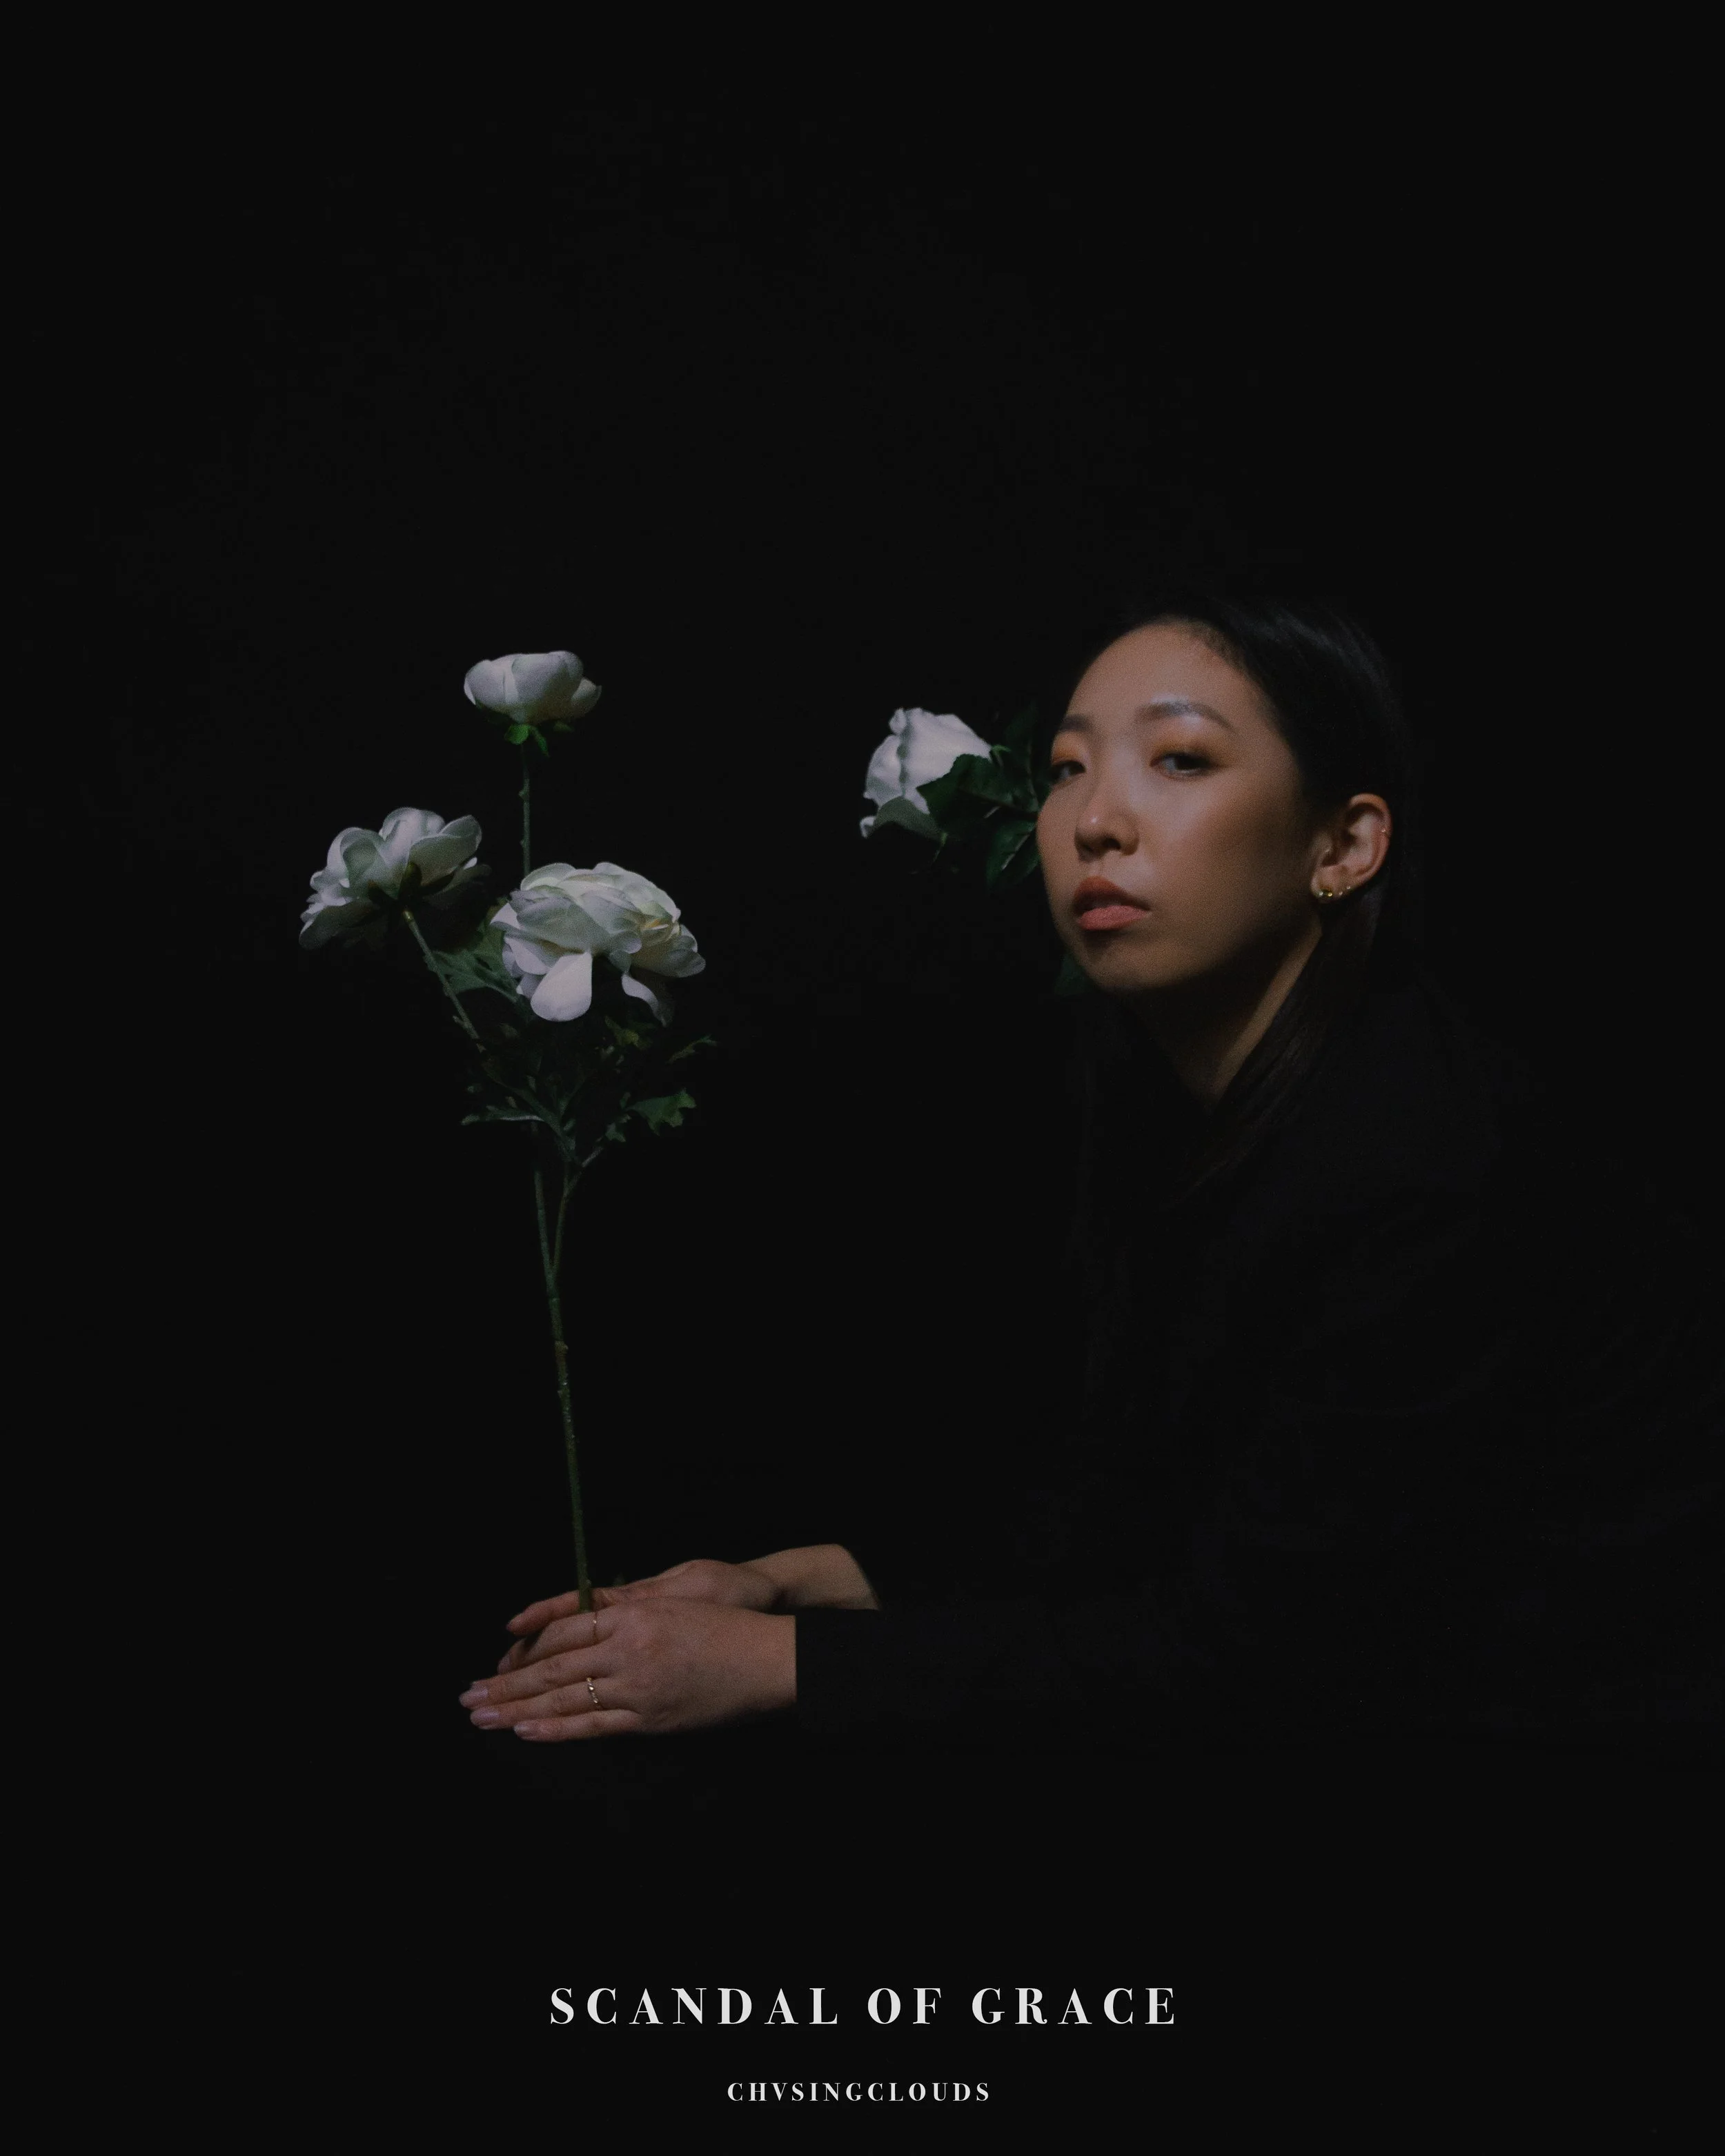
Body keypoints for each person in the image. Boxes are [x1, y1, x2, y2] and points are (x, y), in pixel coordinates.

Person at [456, 592, 1719, 1771]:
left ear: (1344, 843)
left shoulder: (1420, 1160)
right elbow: (1138, 1510)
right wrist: (807, 1579)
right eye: (1067, 769)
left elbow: (1263, 1658)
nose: (1094, 822)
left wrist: (776, 1663)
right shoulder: (1177, 1106)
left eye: (1182, 760)